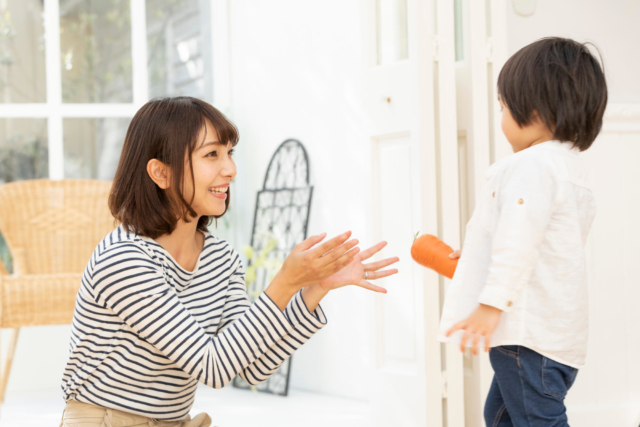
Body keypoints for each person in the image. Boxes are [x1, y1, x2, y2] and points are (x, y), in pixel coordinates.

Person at [59, 97, 399, 426]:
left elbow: (252, 367)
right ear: (160, 173)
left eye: (229, 153)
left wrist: (314, 288)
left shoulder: (219, 258)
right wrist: (285, 282)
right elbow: (213, 366)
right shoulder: (124, 260)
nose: (231, 169)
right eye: (212, 155)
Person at [439, 37, 607, 426]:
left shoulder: (530, 166)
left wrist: (490, 303)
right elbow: (543, 247)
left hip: (524, 337)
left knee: (535, 421)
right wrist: (480, 261)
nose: (501, 118)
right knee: (500, 417)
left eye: (502, 107)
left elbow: (518, 242)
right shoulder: (571, 171)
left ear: (531, 109)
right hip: (555, 337)